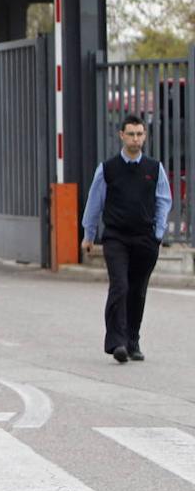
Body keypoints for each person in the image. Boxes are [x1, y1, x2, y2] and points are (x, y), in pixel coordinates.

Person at [80, 114, 172, 364]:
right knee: (120, 285)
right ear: (121, 135)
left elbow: (164, 200)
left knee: (138, 291)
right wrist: (88, 235)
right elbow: (94, 203)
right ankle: (116, 342)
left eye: (139, 134)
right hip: (116, 237)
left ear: (145, 136)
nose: (135, 139)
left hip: (145, 238)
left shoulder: (154, 168)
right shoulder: (108, 169)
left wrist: (158, 233)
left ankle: (133, 341)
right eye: (131, 134)